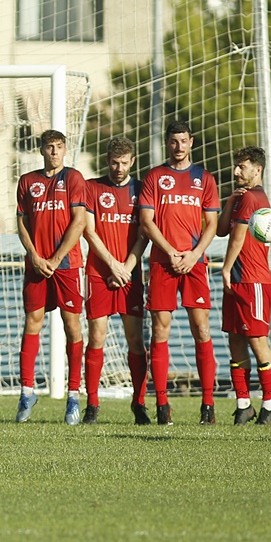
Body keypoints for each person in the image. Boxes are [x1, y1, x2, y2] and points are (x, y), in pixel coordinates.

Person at [138, 120, 221, 425]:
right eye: (173, 142)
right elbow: (147, 221)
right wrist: (171, 251)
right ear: (167, 143)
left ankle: (208, 405)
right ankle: (162, 405)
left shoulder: (204, 178)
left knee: (202, 329)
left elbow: (211, 224)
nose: (178, 147)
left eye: (183, 141)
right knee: (160, 330)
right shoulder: (155, 177)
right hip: (163, 262)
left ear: (192, 142)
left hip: (194, 264)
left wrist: (194, 254)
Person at [15, 129, 87, 425]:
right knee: (32, 322)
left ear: (65, 149)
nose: (54, 152)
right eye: (49, 147)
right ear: (41, 150)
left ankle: (73, 397)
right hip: (37, 265)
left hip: (66, 265)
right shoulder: (28, 182)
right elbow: (21, 222)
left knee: (72, 326)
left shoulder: (73, 178)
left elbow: (79, 221)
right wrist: (33, 255)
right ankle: (26, 390)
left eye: (58, 147)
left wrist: (56, 258)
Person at [81, 137, 149, 425]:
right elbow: (89, 231)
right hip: (99, 273)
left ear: (132, 161)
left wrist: (127, 267)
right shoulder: (92, 188)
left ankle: (139, 403)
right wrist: (112, 264)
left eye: (124, 163)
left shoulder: (142, 189)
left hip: (130, 273)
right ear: (106, 160)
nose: (118, 168)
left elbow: (145, 232)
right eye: (113, 162)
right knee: (97, 337)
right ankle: (92, 404)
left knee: (135, 339)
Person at [217, 146, 271, 426]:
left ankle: (269, 404)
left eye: (242, 167)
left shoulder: (254, 197)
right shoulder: (242, 198)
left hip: (252, 279)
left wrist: (226, 267)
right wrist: (229, 201)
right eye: (236, 166)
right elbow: (221, 229)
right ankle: (244, 405)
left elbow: (237, 237)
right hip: (240, 280)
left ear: (258, 169)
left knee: (257, 342)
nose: (236, 171)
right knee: (235, 340)